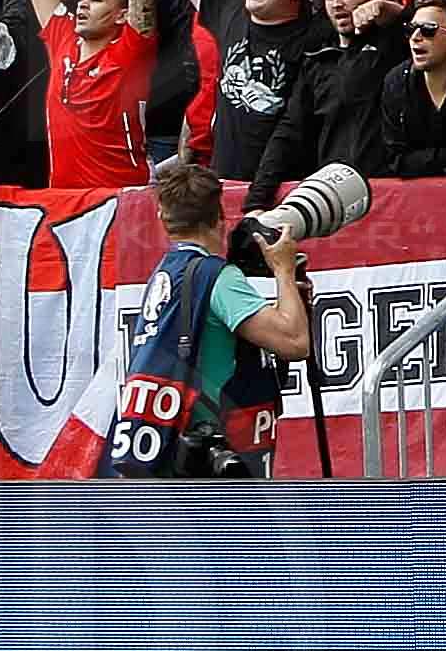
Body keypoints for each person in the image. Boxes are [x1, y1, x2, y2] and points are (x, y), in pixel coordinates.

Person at [92, 160, 322, 477]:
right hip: (208, 458)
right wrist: (283, 270)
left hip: (168, 449)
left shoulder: (168, 271)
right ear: (219, 218)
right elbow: (295, 342)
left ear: (162, 218)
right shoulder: (217, 276)